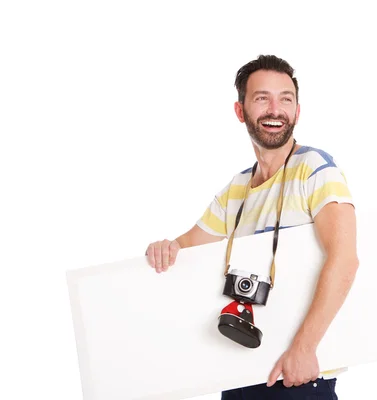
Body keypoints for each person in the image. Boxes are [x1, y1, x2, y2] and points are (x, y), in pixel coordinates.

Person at [145, 54, 359, 400]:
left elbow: (345, 259)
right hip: (239, 374)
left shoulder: (316, 170)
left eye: (286, 99)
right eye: (262, 98)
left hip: (295, 377)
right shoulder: (237, 188)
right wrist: (165, 248)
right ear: (240, 111)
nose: (276, 110)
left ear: (297, 112)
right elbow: (187, 249)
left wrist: (304, 348)